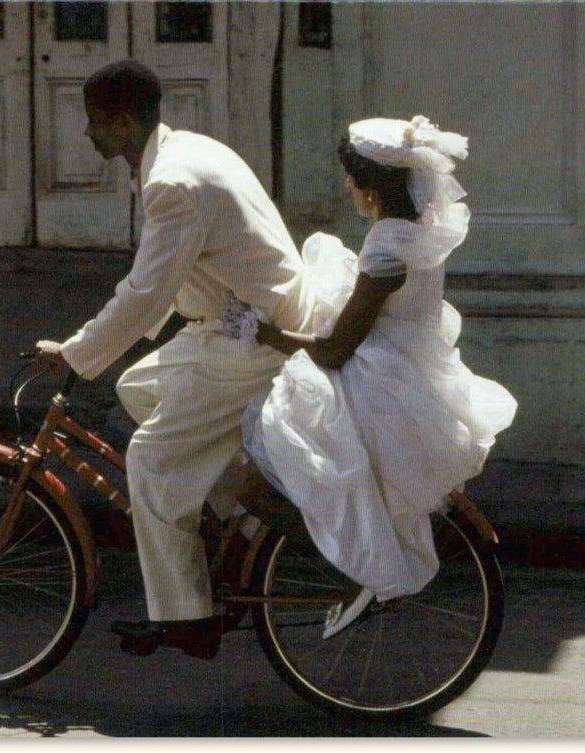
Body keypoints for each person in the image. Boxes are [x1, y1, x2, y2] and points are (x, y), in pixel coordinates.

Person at [35, 59, 313, 659]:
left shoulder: (174, 183)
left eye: (95, 121)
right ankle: (231, 509)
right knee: (137, 387)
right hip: (236, 318)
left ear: (125, 121)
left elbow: (145, 294)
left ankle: (189, 617)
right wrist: (108, 353)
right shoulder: (182, 154)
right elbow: (164, 283)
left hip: (252, 338)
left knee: (153, 461)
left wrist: (75, 353)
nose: (87, 134)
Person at [231, 115, 518, 638]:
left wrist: (263, 333)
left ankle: (360, 568)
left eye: (352, 178)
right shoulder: (419, 231)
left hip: (373, 387)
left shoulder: (387, 247)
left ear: (371, 187)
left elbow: (338, 349)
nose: (347, 186)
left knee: (252, 484)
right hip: (405, 375)